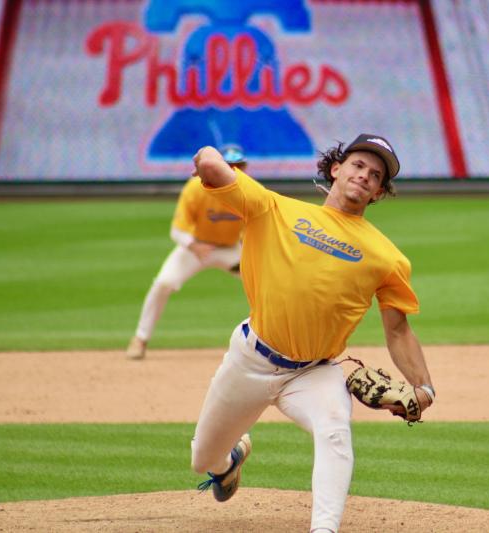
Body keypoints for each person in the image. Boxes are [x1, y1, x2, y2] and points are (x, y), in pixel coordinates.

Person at [190, 134, 435, 533]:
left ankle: (324, 529)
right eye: (358, 165)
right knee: (202, 458)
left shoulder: (388, 257)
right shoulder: (272, 208)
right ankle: (228, 463)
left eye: (376, 176)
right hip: (250, 361)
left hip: (313, 372)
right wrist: (207, 156)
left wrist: (424, 388)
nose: (365, 176)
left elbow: (399, 329)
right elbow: (212, 165)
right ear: (336, 169)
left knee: (335, 430)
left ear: (378, 193)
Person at [125, 145, 248, 360]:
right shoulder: (196, 188)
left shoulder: (248, 190)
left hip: (230, 250)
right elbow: (177, 230)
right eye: (229, 165)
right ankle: (140, 339)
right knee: (164, 283)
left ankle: (271, 346)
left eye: (239, 165)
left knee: (268, 283)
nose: (234, 169)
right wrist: (194, 246)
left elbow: (255, 227)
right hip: (196, 248)